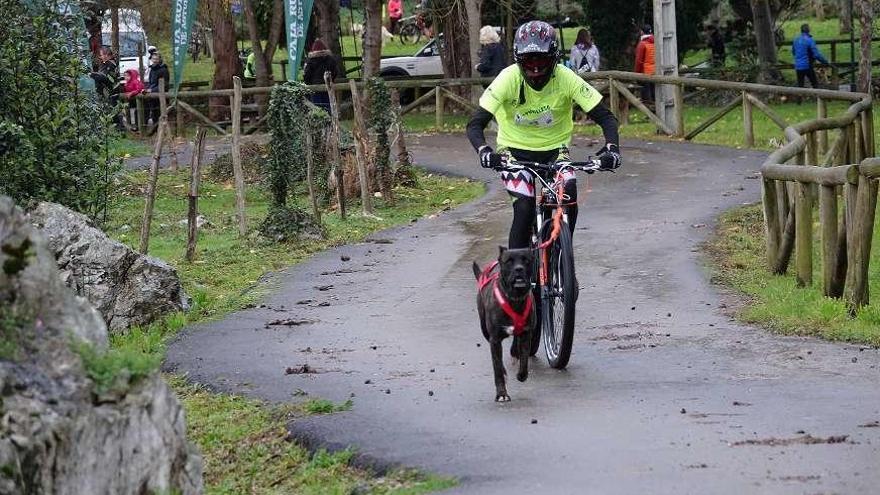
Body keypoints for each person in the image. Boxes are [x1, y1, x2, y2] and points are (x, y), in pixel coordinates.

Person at [466, 20, 621, 251]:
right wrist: (485, 152)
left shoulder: (565, 77)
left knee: (568, 194)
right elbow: (475, 124)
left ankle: (561, 254)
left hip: (555, 151)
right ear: (519, 60)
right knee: (524, 209)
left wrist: (612, 148)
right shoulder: (508, 78)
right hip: (513, 153)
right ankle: (516, 277)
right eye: (529, 62)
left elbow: (606, 117)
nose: (536, 69)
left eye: (542, 61)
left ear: (555, 59)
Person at [302, 39, 339, 112]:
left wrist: (309, 83)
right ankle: (330, 121)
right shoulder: (330, 59)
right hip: (327, 86)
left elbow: (306, 75)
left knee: (317, 107)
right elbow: (335, 72)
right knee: (328, 105)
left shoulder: (310, 61)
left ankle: (319, 122)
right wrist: (331, 80)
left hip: (314, 87)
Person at [792, 23, 828, 89]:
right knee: (814, 83)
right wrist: (825, 62)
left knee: (800, 84)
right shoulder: (810, 40)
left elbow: (794, 52)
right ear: (808, 30)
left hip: (798, 66)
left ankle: (800, 98)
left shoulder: (796, 40)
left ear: (801, 30)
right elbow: (816, 54)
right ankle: (817, 97)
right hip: (807, 65)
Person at [145, 52, 169, 124]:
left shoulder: (163, 70)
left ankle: (160, 129)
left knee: (159, 112)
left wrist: (152, 90)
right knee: (154, 113)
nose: (154, 60)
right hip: (152, 95)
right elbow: (151, 82)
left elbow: (164, 84)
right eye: (153, 59)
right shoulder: (152, 69)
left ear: (159, 59)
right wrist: (147, 88)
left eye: (156, 59)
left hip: (160, 95)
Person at [634, 24, 655, 103]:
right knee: (654, 92)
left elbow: (639, 61)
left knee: (645, 93)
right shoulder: (655, 42)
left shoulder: (642, 44)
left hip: (645, 72)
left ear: (642, 32)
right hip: (655, 71)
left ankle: (648, 109)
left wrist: (636, 73)